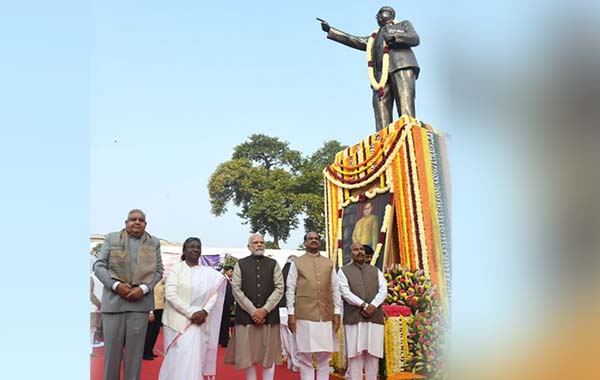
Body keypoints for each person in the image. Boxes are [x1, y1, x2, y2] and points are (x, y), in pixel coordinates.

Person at [318, 6, 420, 131]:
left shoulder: (403, 24)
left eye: (380, 13)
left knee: (405, 106)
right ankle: (383, 143)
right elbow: (355, 40)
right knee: (381, 111)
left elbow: (415, 38)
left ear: (390, 14)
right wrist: (331, 30)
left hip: (401, 66)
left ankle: (409, 135)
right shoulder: (374, 37)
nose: (377, 16)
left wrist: (395, 38)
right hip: (379, 77)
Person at [94, 209, 164, 380]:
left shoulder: (153, 242)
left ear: (145, 224)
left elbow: (158, 270)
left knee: (134, 357)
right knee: (112, 356)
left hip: (139, 305)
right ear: (126, 223)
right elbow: (99, 266)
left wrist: (144, 289)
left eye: (141, 220)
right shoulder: (111, 238)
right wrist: (116, 285)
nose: (137, 222)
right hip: (114, 304)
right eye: (133, 219)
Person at [159, 237, 227, 380]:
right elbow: (170, 295)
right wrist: (191, 313)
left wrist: (204, 312)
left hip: (198, 321)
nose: (195, 249)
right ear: (184, 250)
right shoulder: (176, 270)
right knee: (177, 357)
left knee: (194, 357)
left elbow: (213, 294)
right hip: (177, 322)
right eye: (191, 247)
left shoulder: (208, 273)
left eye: (198, 247)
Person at [224, 234, 284, 380]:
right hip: (246, 318)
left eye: (261, 242)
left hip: (269, 318)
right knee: (248, 358)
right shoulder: (240, 264)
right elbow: (236, 289)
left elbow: (280, 288)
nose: (259, 245)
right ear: (249, 246)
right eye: (255, 242)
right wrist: (253, 311)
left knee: (268, 358)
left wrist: (264, 310)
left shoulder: (273, 264)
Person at [286, 232, 342, 380]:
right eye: (310, 239)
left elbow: (335, 288)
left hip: (325, 314)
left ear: (320, 242)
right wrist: (291, 313)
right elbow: (290, 288)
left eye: (316, 239)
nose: (313, 241)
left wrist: (337, 312)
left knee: (325, 355)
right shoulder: (296, 263)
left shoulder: (329, 263)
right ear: (305, 243)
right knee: (305, 355)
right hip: (304, 314)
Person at [338, 243, 387, 380]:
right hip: (354, 318)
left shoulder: (375, 271)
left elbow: (383, 290)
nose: (359, 252)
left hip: (374, 318)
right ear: (350, 254)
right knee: (355, 355)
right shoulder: (343, 271)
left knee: (373, 355)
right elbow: (345, 292)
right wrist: (364, 305)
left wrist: (373, 305)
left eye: (361, 249)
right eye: (356, 250)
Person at [278, 255, 299, 372]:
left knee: (284, 337)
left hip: (280, 309)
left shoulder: (280, 273)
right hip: (291, 309)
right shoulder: (295, 273)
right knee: (294, 337)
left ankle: (289, 360)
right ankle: (296, 363)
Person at [143, 279, 165, 360]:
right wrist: (150, 311)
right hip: (153, 308)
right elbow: (148, 296)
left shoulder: (160, 279)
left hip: (160, 307)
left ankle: (150, 350)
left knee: (155, 331)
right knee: (150, 332)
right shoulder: (150, 280)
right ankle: (146, 352)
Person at [218, 265, 235, 347]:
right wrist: (230, 305)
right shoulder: (223, 280)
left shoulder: (228, 280)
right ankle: (224, 340)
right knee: (224, 324)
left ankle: (222, 339)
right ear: (226, 271)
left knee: (224, 323)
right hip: (225, 306)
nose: (232, 273)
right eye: (231, 271)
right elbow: (227, 294)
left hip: (225, 305)